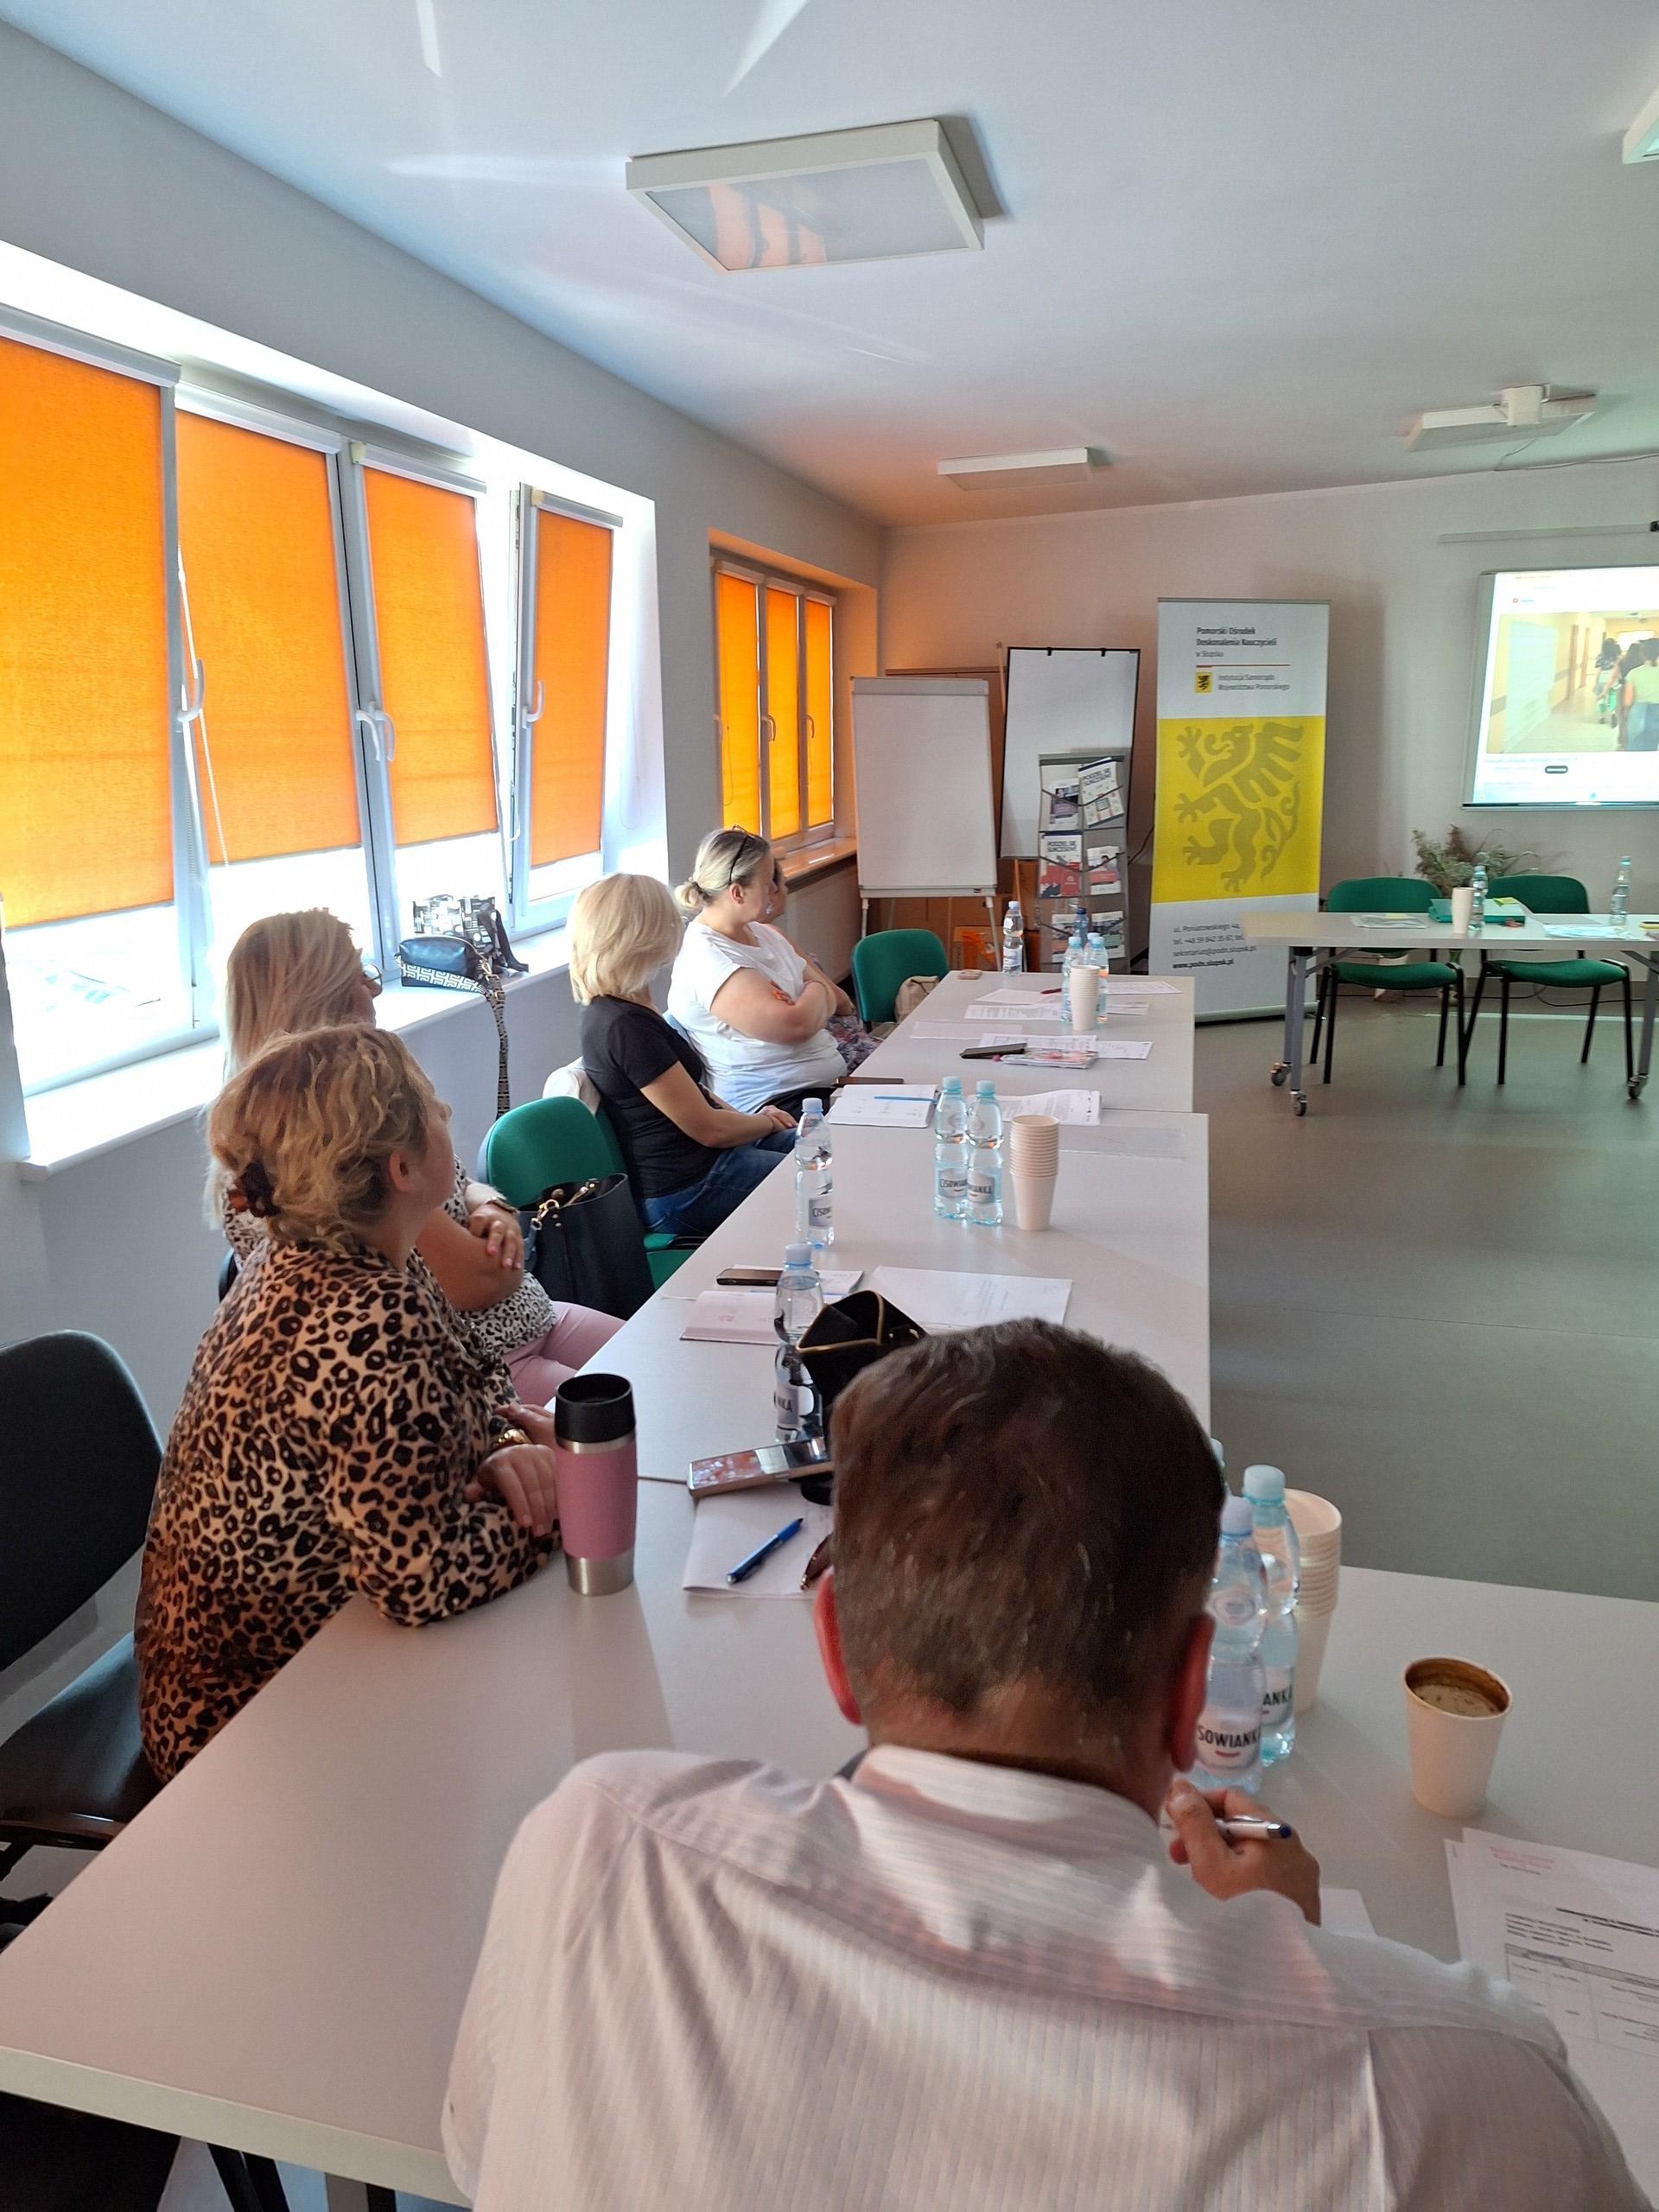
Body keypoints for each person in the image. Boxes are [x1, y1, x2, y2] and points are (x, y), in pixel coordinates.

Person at [445, 1321, 1642, 2212]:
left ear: (836, 1652)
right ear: (1193, 1694)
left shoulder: (597, 1846)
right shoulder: (1462, 2093)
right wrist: (1296, 1959)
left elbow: (481, 2149)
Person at [137, 1026, 559, 1779]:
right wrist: (558, 1502)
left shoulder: (352, 1257)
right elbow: (420, 1580)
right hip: (250, 1722)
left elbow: (474, 1379)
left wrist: (504, 1449)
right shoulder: (363, 1314)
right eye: (432, 1107)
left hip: (333, 1643)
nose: (448, 1114)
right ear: (403, 1169)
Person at [223, 910, 619, 1400]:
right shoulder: (331, 1157)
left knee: (666, 1356)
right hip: (480, 1366)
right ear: (318, 995)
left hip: (532, 1316)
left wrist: (489, 1204)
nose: (375, 988)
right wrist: (504, 1235)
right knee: (641, 1411)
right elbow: (483, 1281)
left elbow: (458, 1186)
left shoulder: (358, 1106)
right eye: (359, 974)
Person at [571, 872, 796, 1236]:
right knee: (823, 1175)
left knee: (826, 1149)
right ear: (644, 934)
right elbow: (710, 1129)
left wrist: (755, 1120)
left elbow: (697, 1097)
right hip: (686, 1188)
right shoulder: (624, 1025)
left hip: (708, 1164)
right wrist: (767, 1123)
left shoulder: (628, 1006)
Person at [666, 828, 846, 1117]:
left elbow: (833, 1001)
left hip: (822, 1088)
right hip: (775, 1104)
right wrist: (816, 989)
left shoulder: (764, 934)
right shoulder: (707, 957)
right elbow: (795, 1026)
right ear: (737, 892)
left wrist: (810, 998)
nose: (775, 889)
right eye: (767, 882)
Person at [757, 853, 881, 1073]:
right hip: (836, 1046)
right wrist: (816, 990)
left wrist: (810, 998)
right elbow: (840, 1000)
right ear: (770, 893)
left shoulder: (754, 942)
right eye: (783, 884)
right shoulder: (772, 934)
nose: (785, 890)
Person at [1623, 639, 1659, 752]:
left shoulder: (1633, 673)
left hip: (1639, 710)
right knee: (1653, 743)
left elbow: (1628, 701)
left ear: (1643, 654)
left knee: (1635, 743)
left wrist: (1626, 711)